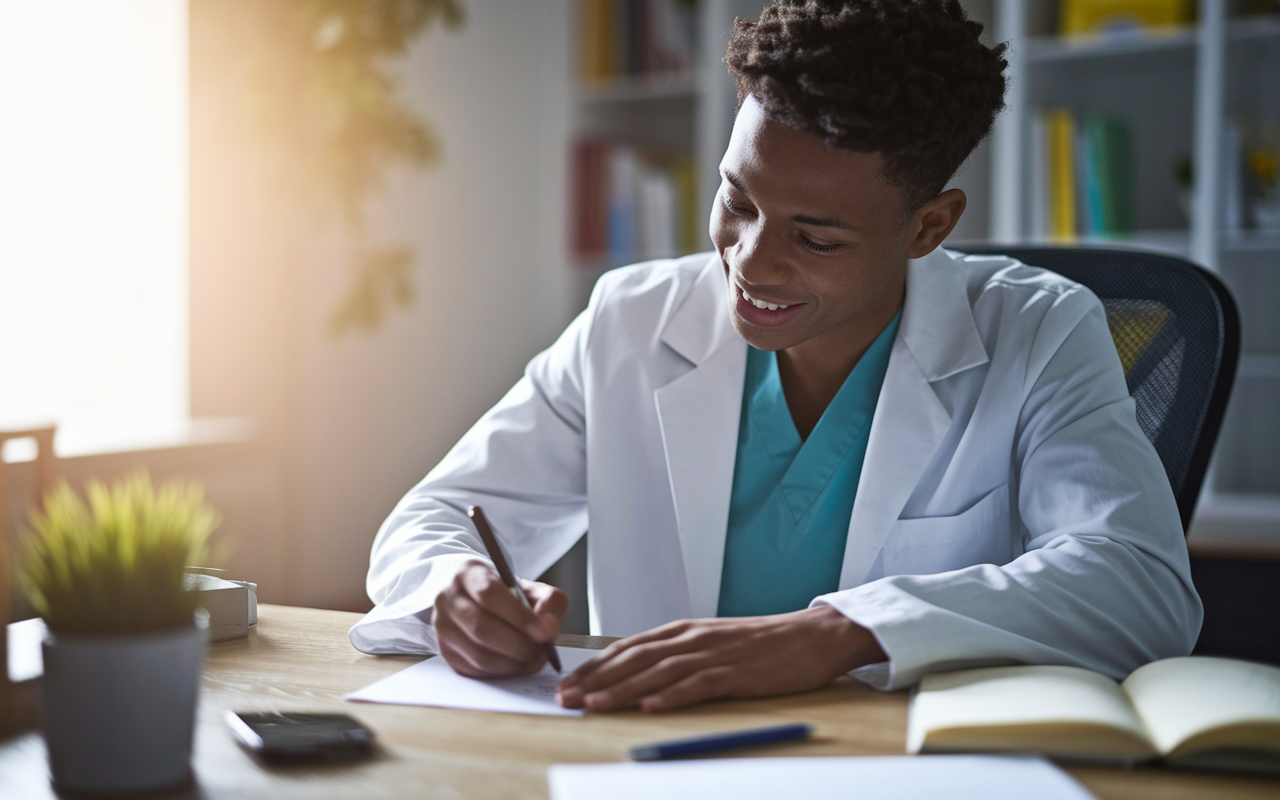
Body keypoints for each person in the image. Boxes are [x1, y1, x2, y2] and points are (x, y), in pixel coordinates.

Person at [349, 0, 1201, 713]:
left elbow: (1136, 584)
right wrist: (454, 588)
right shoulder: (631, 321)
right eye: (737, 198)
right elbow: (435, 519)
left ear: (930, 226)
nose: (750, 262)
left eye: (816, 237)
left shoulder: (1040, 331)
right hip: (651, 753)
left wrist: (836, 634)